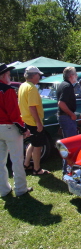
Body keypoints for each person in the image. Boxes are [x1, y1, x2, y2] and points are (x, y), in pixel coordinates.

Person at [0, 63, 33, 197]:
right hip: (9, 127)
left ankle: (4, 189)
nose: (9, 76)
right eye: (8, 74)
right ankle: (20, 189)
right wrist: (24, 129)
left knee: (1, 162)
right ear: (3, 75)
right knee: (17, 160)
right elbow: (13, 114)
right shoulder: (7, 90)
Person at [18, 66, 50, 176]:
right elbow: (32, 107)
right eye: (38, 75)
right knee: (38, 146)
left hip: (26, 119)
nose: (40, 77)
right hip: (32, 121)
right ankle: (37, 169)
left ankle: (26, 164)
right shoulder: (31, 88)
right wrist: (38, 123)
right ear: (34, 75)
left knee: (32, 143)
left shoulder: (23, 85)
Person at [56, 67, 78, 174]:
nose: (76, 76)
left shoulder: (62, 84)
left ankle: (68, 168)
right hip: (67, 117)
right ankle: (67, 170)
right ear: (71, 76)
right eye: (75, 74)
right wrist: (71, 114)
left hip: (64, 117)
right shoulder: (67, 86)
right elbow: (61, 103)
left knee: (67, 144)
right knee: (70, 145)